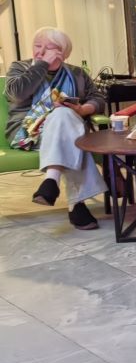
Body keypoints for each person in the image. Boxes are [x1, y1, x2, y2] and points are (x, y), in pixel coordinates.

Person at [4, 27, 107, 230]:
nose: (40, 51)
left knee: (63, 115)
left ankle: (51, 181)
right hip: (27, 131)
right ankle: (76, 205)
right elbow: (16, 94)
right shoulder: (20, 67)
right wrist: (41, 65)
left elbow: (98, 99)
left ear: (63, 53)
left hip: (65, 127)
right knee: (71, 136)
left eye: (49, 47)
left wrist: (82, 109)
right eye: (37, 46)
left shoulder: (77, 73)